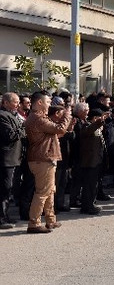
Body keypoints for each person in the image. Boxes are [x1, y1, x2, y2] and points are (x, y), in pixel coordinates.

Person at [24, 92, 71, 234]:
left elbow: (56, 133)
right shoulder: (38, 118)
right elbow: (60, 129)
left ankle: (50, 220)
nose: (50, 104)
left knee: (49, 191)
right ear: (39, 102)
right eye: (48, 101)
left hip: (44, 158)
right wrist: (67, 115)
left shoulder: (38, 118)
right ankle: (34, 223)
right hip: (42, 159)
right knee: (43, 192)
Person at [0, 93, 26, 229]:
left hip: (14, 158)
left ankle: (5, 215)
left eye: (18, 102)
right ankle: (1, 218)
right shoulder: (2, 116)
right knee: (4, 189)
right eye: (15, 102)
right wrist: (23, 128)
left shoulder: (12, 116)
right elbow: (10, 135)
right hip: (6, 159)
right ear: (5, 102)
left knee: (9, 189)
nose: (17, 104)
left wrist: (21, 128)